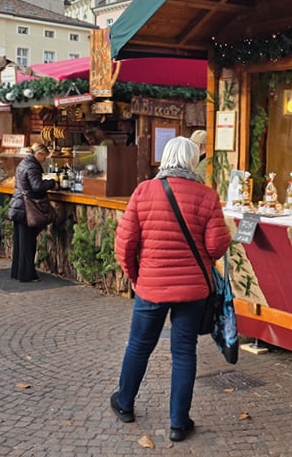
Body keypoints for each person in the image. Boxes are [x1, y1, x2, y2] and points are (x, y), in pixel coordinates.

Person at [110, 136, 231, 442]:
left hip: (151, 287)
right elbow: (216, 247)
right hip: (192, 290)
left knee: (139, 345)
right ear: (192, 160)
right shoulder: (207, 196)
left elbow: (125, 243)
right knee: (184, 352)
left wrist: (135, 277)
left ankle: (124, 403)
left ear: (165, 158)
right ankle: (179, 422)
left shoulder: (143, 191)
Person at [7, 143, 55, 282]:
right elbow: (37, 186)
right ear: (39, 154)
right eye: (44, 156)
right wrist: (52, 183)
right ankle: (27, 274)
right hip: (27, 209)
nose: (44, 159)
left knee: (20, 243)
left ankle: (17, 271)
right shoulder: (33, 166)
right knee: (28, 243)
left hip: (18, 206)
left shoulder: (24, 163)